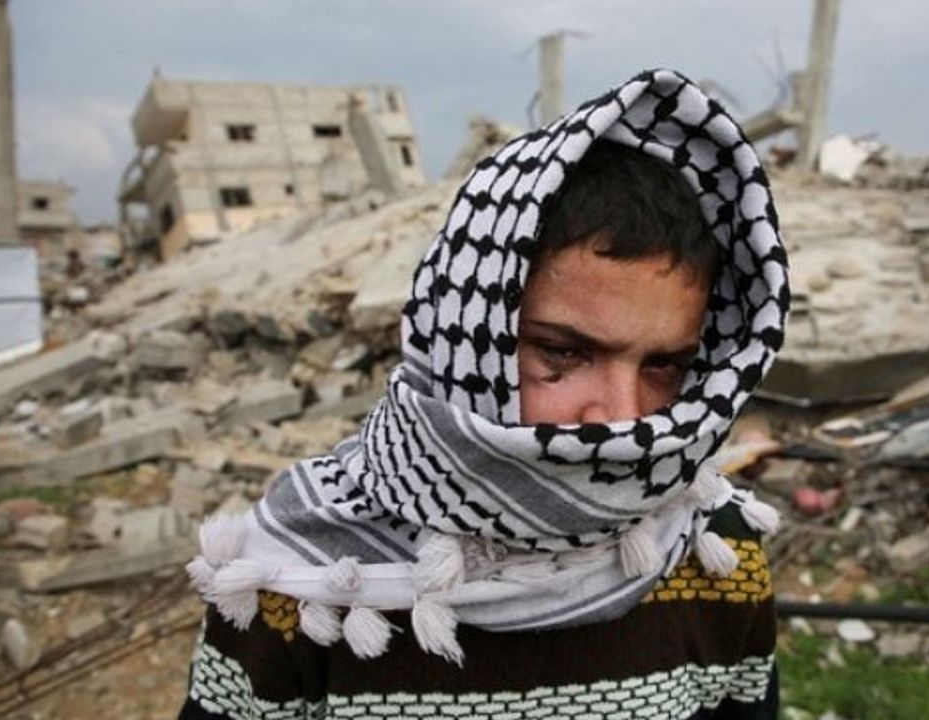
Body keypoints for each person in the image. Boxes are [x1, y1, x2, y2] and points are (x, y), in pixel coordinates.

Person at [178, 68, 790, 720]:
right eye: (562, 352)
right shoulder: (297, 579)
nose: (621, 417)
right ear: (465, 336)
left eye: (664, 366)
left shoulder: (715, 552)